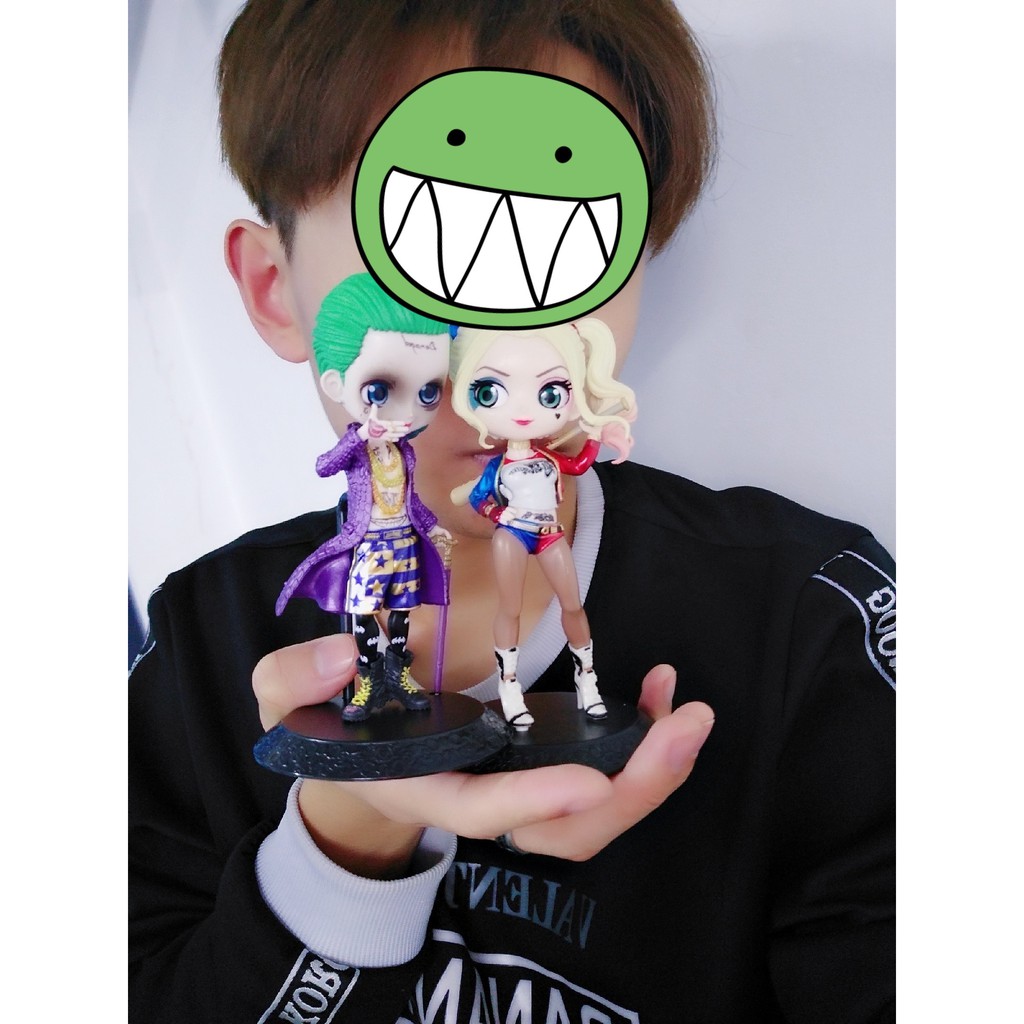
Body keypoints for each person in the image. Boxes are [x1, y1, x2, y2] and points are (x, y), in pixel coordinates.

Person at [129, 2, 895, 1022]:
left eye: (562, 254)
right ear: (277, 288)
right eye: (429, 245)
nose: (497, 343)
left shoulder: (814, 628)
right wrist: (346, 829)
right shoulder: (198, 645)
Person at [274, 273, 453, 720]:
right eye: (379, 390)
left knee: (403, 611)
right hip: (369, 543)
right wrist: (360, 436)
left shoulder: (405, 451)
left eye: (427, 391)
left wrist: (433, 526)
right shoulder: (357, 447)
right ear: (337, 385)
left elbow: (409, 499)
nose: (406, 409)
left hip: (404, 540)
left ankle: (399, 673)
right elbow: (324, 465)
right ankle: (369, 677)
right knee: (363, 611)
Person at [449, 321, 636, 727]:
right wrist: (501, 515)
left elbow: (580, 464)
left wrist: (598, 431)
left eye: (550, 392)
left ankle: (587, 680)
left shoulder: (550, 457)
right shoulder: (498, 466)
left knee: (571, 603)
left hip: (549, 533)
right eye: (490, 392)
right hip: (513, 535)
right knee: (510, 607)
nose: (522, 412)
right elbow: (479, 499)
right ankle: (510, 686)